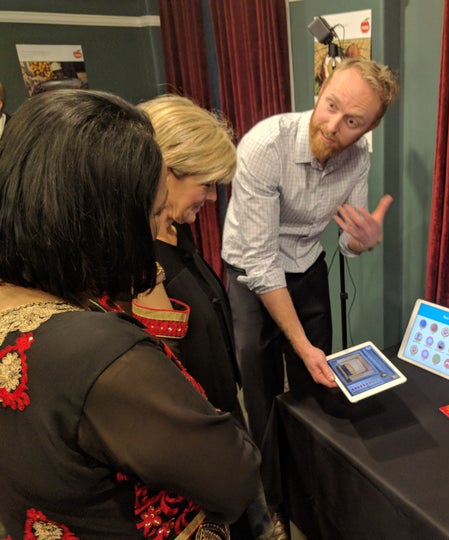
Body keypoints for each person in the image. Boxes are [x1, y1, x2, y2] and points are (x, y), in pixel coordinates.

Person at [0, 89, 262, 539]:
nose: (158, 226)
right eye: (149, 212)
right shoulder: (105, 352)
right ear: (102, 214)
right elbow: (233, 480)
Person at [222, 57, 400, 447]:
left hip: (306, 262)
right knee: (262, 391)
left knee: (317, 385)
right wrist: (301, 346)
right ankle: (276, 497)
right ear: (321, 91)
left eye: (353, 121)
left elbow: (345, 241)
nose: (333, 126)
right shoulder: (266, 146)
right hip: (250, 274)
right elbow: (262, 263)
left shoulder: (358, 157)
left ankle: (311, 479)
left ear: (370, 127)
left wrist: (361, 241)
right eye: (331, 105)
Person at [136, 94, 280, 539]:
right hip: (194, 442)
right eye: (206, 182)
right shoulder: (137, 263)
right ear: (165, 171)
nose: (214, 197)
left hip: (220, 418)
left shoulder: (176, 231)